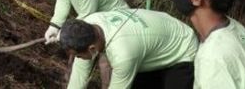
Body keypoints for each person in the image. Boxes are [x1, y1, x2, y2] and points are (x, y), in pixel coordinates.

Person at [60, 8, 198, 88]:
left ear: (91, 49)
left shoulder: (123, 54)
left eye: (78, 56)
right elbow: (80, 72)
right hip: (154, 39)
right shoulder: (90, 22)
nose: (78, 59)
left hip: (182, 47)